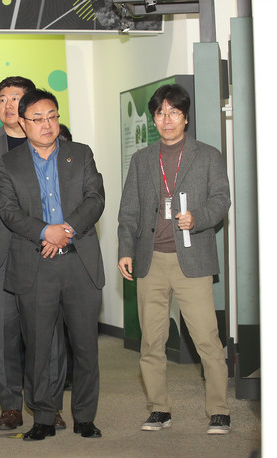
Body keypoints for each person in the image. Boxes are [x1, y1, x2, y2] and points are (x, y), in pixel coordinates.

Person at [117, 83, 231, 435]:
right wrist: (125, 250)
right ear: (154, 119)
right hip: (150, 260)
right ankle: (159, 409)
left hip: (192, 260)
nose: (167, 120)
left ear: (185, 117)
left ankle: (219, 410)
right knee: (152, 341)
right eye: (160, 113)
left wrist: (198, 217)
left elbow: (221, 200)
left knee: (207, 339)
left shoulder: (207, 155)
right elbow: (129, 210)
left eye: (174, 113)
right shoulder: (142, 159)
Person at [0, 89, 105, 441]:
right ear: (22, 122)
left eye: (53, 116)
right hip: (36, 263)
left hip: (79, 262)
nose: (47, 124)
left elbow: (95, 198)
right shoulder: (8, 163)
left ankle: (85, 417)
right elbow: (8, 211)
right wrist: (46, 231)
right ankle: (43, 416)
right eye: (38, 119)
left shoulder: (80, 154)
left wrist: (65, 230)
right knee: (39, 347)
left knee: (85, 346)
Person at [0, 76, 66, 432]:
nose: (8, 105)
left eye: (16, 98)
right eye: (2, 99)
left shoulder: (53, 141)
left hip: (44, 249)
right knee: (6, 332)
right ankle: (10, 405)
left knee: (48, 333)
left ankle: (49, 405)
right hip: (1, 251)